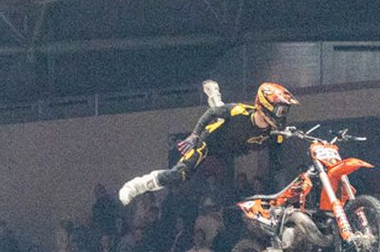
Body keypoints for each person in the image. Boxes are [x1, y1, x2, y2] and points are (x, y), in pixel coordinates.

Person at [119, 82, 299, 204]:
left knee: (227, 192)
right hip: (209, 143)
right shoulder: (240, 111)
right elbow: (211, 114)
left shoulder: (273, 130)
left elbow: (277, 147)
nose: (283, 114)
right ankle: (139, 185)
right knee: (180, 174)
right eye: (281, 110)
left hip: (229, 152)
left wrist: (292, 135)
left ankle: (216, 98)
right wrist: (195, 135)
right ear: (267, 105)